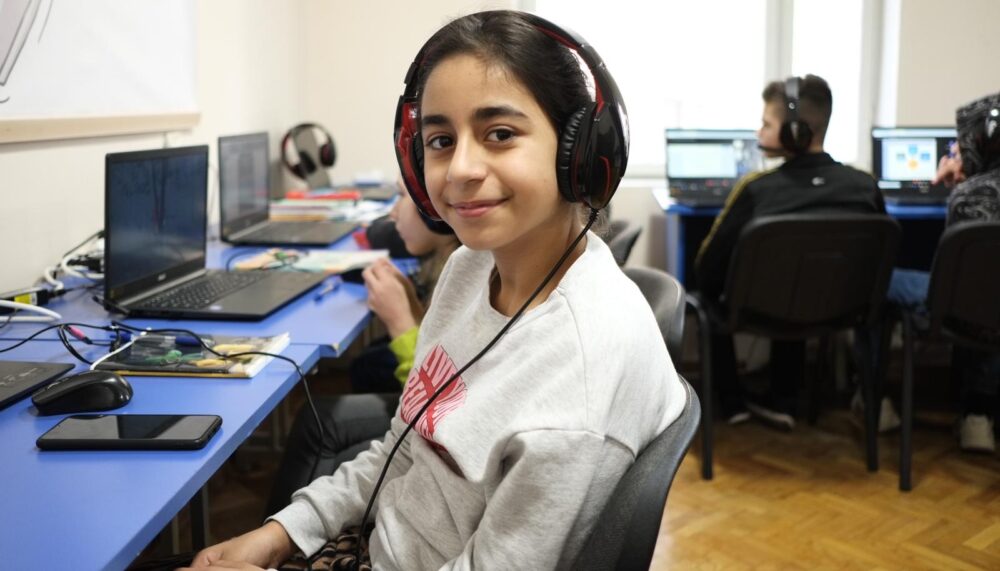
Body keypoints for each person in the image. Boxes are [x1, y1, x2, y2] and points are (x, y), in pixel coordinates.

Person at [186, 11, 683, 570]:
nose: (459, 169)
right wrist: (283, 531)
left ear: (581, 154)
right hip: (374, 542)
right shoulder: (471, 267)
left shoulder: (574, 393)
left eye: (500, 134)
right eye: (441, 140)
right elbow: (405, 442)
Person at [695, 75, 886, 430]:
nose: (759, 132)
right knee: (806, 284)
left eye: (767, 123)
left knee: (705, 295)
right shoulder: (864, 187)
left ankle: (732, 402)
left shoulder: (757, 190)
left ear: (795, 131)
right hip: (839, 311)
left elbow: (707, 267)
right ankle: (786, 397)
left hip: (760, 310)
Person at [264, 183, 461, 519]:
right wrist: (412, 310)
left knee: (328, 418)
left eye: (403, 197)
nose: (394, 211)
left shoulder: (462, 273)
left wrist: (401, 322)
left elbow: (441, 399)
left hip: (433, 420)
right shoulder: (452, 265)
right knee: (328, 409)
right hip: (427, 413)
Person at [885, 91, 1000, 452]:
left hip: (964, 310)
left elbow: (954, 273)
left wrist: (960, 187)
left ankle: (875, 401)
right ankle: (977, 416)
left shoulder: (970, 196)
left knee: (878, 279)